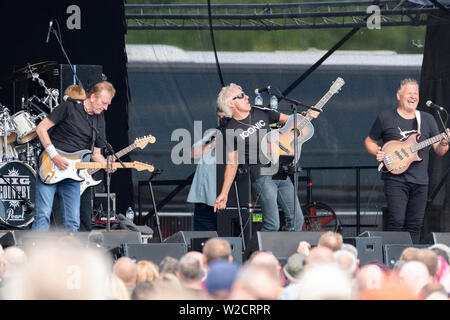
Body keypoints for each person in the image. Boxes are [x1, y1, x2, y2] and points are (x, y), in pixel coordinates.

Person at [214, 83, 320, 231]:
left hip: (281, 172)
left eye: (244, 93)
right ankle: (259, 254)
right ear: (231, 103)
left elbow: (291, 121)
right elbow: (232, 163)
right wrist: (224, 193)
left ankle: (285, 253)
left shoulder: (260, 111)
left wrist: (306, 115)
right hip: (262, 175)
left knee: (297, 220)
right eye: (241, 95)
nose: (246, 96)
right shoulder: (230, 129)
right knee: (272, 224)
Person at [364, 78, 450, 243]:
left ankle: (411, 260)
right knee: (396, 221)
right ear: (399, 96)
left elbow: (440, 150)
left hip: (420, 181)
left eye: (415, 93)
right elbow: (369, 141)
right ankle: (392, 260)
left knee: (416, 224)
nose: (413, 97)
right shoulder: (385, 118)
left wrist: (445, 141)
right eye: (409, 93)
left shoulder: (427, 119)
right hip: (395, 179)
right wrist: (379, 151)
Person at [32, 81, 116, 232]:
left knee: (73, 221)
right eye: (103, 103)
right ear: (93, 97)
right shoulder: (69, 107)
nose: (105, 107)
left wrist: (106, 164)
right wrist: (54, 156)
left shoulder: (99, 119)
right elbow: (41, 128)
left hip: (74, 173)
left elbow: (96, 154)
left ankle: (71, 254)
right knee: (43, 214)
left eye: (108, 104)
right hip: (51, 164)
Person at [187, 110, 226, 231]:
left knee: (224, 242)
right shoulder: (212, 134)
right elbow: (192, 154)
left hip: (222, 202)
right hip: (202, 201)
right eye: (219, 117)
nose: (221, 120)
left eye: (225, 117)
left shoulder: (240, 136)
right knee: (203, 242)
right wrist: (212, 144)